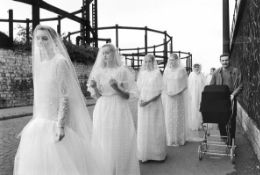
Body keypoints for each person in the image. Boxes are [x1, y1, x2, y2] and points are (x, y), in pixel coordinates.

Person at [14, 25, 108, 175]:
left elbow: (64, 96)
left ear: (54, 41)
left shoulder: (60, 62)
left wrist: (60, 125)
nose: (41, 42)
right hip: (39, 123)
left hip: (55, 123)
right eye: (38, 38)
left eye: (45, 38)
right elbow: (41, 96)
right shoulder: (41, 63)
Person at [87, 43, 140, 175]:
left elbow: (128, 96)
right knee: (103, 139)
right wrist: (94, 87)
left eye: (108, 52)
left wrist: (116, 87)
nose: (105, 55)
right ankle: (106, 170)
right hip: (102, 107)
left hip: (119, 107)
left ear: (114, 54)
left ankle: (121, 170)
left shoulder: (122, 71)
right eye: (103, 53)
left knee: (120, 138)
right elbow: (99, 96)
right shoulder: (98, 72)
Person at [137, 54, 167, 162]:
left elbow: (159, 92)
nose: (147, 63)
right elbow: (139, 89)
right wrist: (141, 100)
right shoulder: (142, 73)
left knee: (154, 127)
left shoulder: (156, 73)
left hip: (154, 104)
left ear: (153, 62)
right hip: (143, 103)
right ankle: (144, 153)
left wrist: (148, 101)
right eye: (145, 61)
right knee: (144, 127)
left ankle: (157, 154)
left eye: (149, 61)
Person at [210, 54, 242, 140]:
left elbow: (240, 85)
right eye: (223, 60)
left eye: (226, 60)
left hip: (231, 97)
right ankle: (224, 137)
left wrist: (233, 94)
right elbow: (211, 85)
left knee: (231, 119)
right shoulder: (216, 72)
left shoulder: (235, 71)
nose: (225, 62)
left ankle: (231, 140)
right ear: (220, 61)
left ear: (229, 60)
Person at [162, 53, 188, 146]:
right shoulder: (166, 70)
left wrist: (177, 92)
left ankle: (178, 138)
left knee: (177, 116)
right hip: (169, 97)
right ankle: (170, 139)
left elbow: (185, 85)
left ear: (177, 60)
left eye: (173, 60)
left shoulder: (181, 70)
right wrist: (167, 92)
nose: (171, 61)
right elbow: (164, 84)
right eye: (170, 60)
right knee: (169, 117)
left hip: (178, 96)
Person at [187, 63, 206, 141]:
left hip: (200, 94)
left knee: (200, 108)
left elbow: (204, 84)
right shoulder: (191, 75)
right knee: (193, 108)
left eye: (198, 67)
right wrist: (190, 94)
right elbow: (189, 85)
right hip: (193, 94)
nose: (196, 68)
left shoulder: (202, 75)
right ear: (193, 68)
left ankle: (200, 124)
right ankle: (194, 124)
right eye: (195, 67)